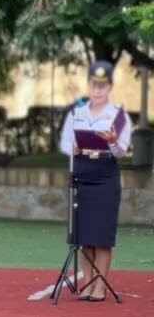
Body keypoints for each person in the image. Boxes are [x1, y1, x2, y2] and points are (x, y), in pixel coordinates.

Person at [59, 60, 131, 301]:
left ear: (109, 87)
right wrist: (74, 147)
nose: (98, 90)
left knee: (101, 236)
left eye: (102, 86)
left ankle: (100, 287)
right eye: (94, 85)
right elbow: (65, 144)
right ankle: (87, 284)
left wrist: (112, 141)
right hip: (82, 175)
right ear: (89, 86)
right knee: (85, 237)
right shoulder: (76, 114)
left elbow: (121, 152)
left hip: (105, 176)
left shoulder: (118, 116)